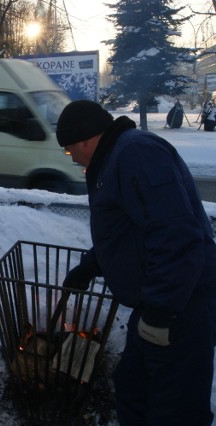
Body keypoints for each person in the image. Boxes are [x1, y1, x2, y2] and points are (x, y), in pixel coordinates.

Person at [56, 99, 216, 425]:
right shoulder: (115, 158)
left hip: (181, 307)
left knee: (174, 408)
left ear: (86, 139)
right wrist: (91, 266)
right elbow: (128, 231)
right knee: (132, 388)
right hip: (155, 301)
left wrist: (160, 313)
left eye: (70, 150)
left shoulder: (136, 155)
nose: (71, 158)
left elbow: (176, 236)